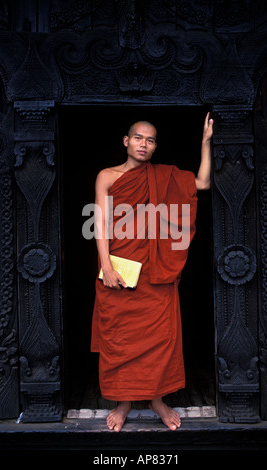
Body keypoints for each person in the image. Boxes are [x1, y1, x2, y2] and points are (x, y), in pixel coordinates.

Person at [91, 113, 213, 432]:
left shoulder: (162, 176)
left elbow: (202, 183)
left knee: (160, 341)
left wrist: (205, 142)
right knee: (119, 339)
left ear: (155, 146)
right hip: (120, 269)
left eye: (151, 140)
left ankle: (158, 400)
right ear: (126, 141)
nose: (144, 144)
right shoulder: (106, 176)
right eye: (139, 138)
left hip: (156, 273)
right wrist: (105, 265)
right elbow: (101, 225)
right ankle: (124, 402)